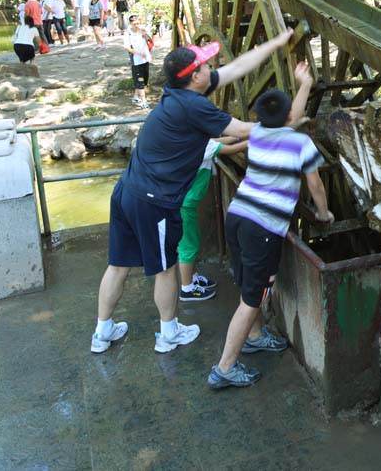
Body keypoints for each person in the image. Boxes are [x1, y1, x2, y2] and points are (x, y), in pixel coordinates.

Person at [89, 28, 295, 356]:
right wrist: (288, 126)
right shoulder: (192, 107)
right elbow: (242, 130)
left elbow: (236, 68)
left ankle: (102, 332)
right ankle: (168, 333)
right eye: (203, 65)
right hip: (153, 202)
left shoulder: (177, 92)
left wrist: (275, 43)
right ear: (194, 76)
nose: (209, 68)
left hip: (126, 191)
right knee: (166, 268)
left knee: (119, 265)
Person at [208, 63, 334, 388]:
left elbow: (289, 116)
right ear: (289, 118)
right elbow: (316, 186)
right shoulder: (299, 144)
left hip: (237, 218)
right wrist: (323, 214)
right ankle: (225, 368)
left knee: (247, 283)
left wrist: (303, 84)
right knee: (253, 297)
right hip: (262, 231)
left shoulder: (258, 132)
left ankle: (254, 335)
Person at [178, 137, 249, 302]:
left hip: (186, 202)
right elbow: (230, 149)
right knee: (189, 246)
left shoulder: (192, 140)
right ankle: (187, 289)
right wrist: (254, 138)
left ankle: (192, 277)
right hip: (185, 205)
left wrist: (237, 136)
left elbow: (217, 140)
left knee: (192, 241)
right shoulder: (204, 146)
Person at [123, 15, 152, 109]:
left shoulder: (142, 30)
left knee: (144, 79)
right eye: (134, 24)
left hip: (145, 58)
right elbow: (127, 47)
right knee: (140, 80)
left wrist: (145, 33)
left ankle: (136, 97)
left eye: (138, 23)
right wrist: (138, 54)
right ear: (130, 24)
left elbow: (149, 40)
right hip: (136, 60)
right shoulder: (128, 34)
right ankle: (143, 101)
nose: (137, 25)